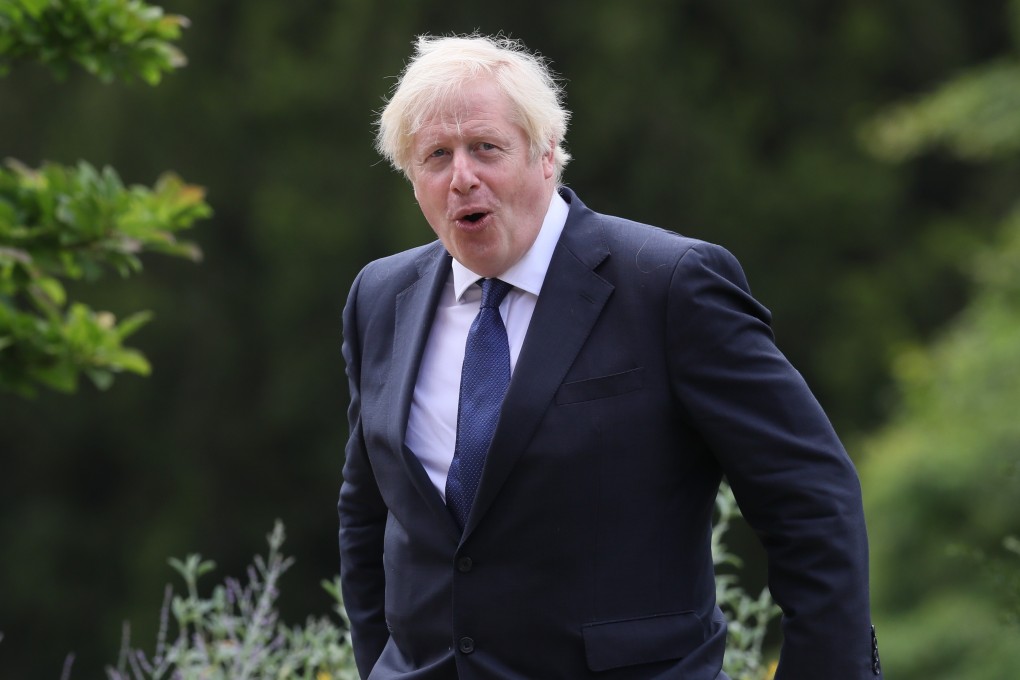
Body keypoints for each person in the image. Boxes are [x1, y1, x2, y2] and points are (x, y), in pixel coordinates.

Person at [339, 33, 882, 680]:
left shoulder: (670, 284)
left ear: (547, 154)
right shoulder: (379, 297)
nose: (462, 177)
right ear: (411, 177)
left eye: (486, 147)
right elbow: (367, 512)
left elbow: (810, 499)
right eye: (436, 155)